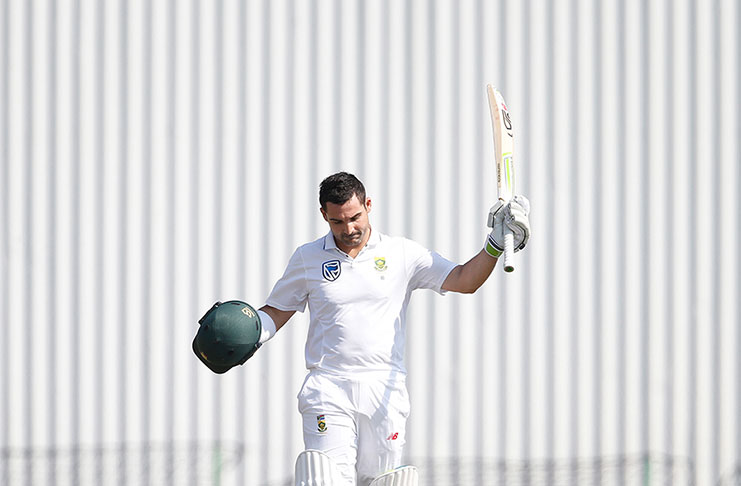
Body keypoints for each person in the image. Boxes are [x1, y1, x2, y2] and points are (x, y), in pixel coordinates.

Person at [250, 171, 530, 486]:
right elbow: (276, 311)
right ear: (323, 215)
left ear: (368, 205)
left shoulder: (401, 254)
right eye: (337, 222)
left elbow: (464, 280)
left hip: (384, 389)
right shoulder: (308, 257)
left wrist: (493, 245)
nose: (349, 229)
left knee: (380, 480)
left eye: (355, 217)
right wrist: (245, 331)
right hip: (328, 386)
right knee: (323, 479)